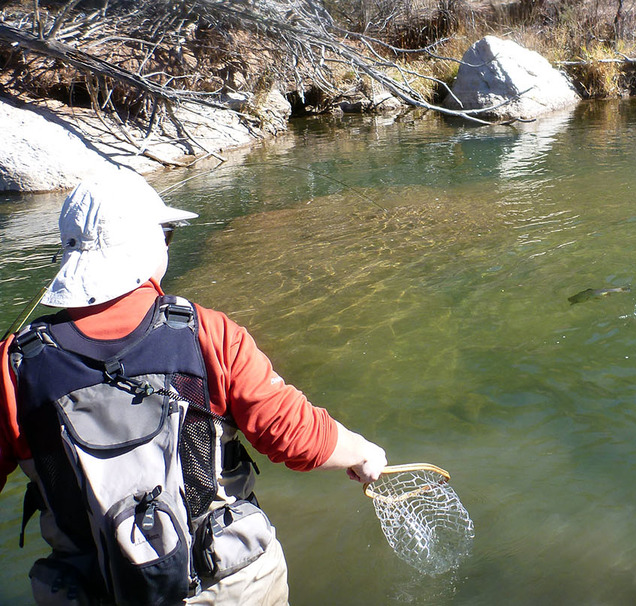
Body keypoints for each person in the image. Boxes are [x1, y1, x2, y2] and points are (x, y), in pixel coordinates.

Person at [0, 172, 387, 605]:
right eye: (165, 234)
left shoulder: (13, 364)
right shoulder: (208, 333)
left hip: (96, 590)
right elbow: (292, 434)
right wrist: (362, 452)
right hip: (226, 582)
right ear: (146, 247)